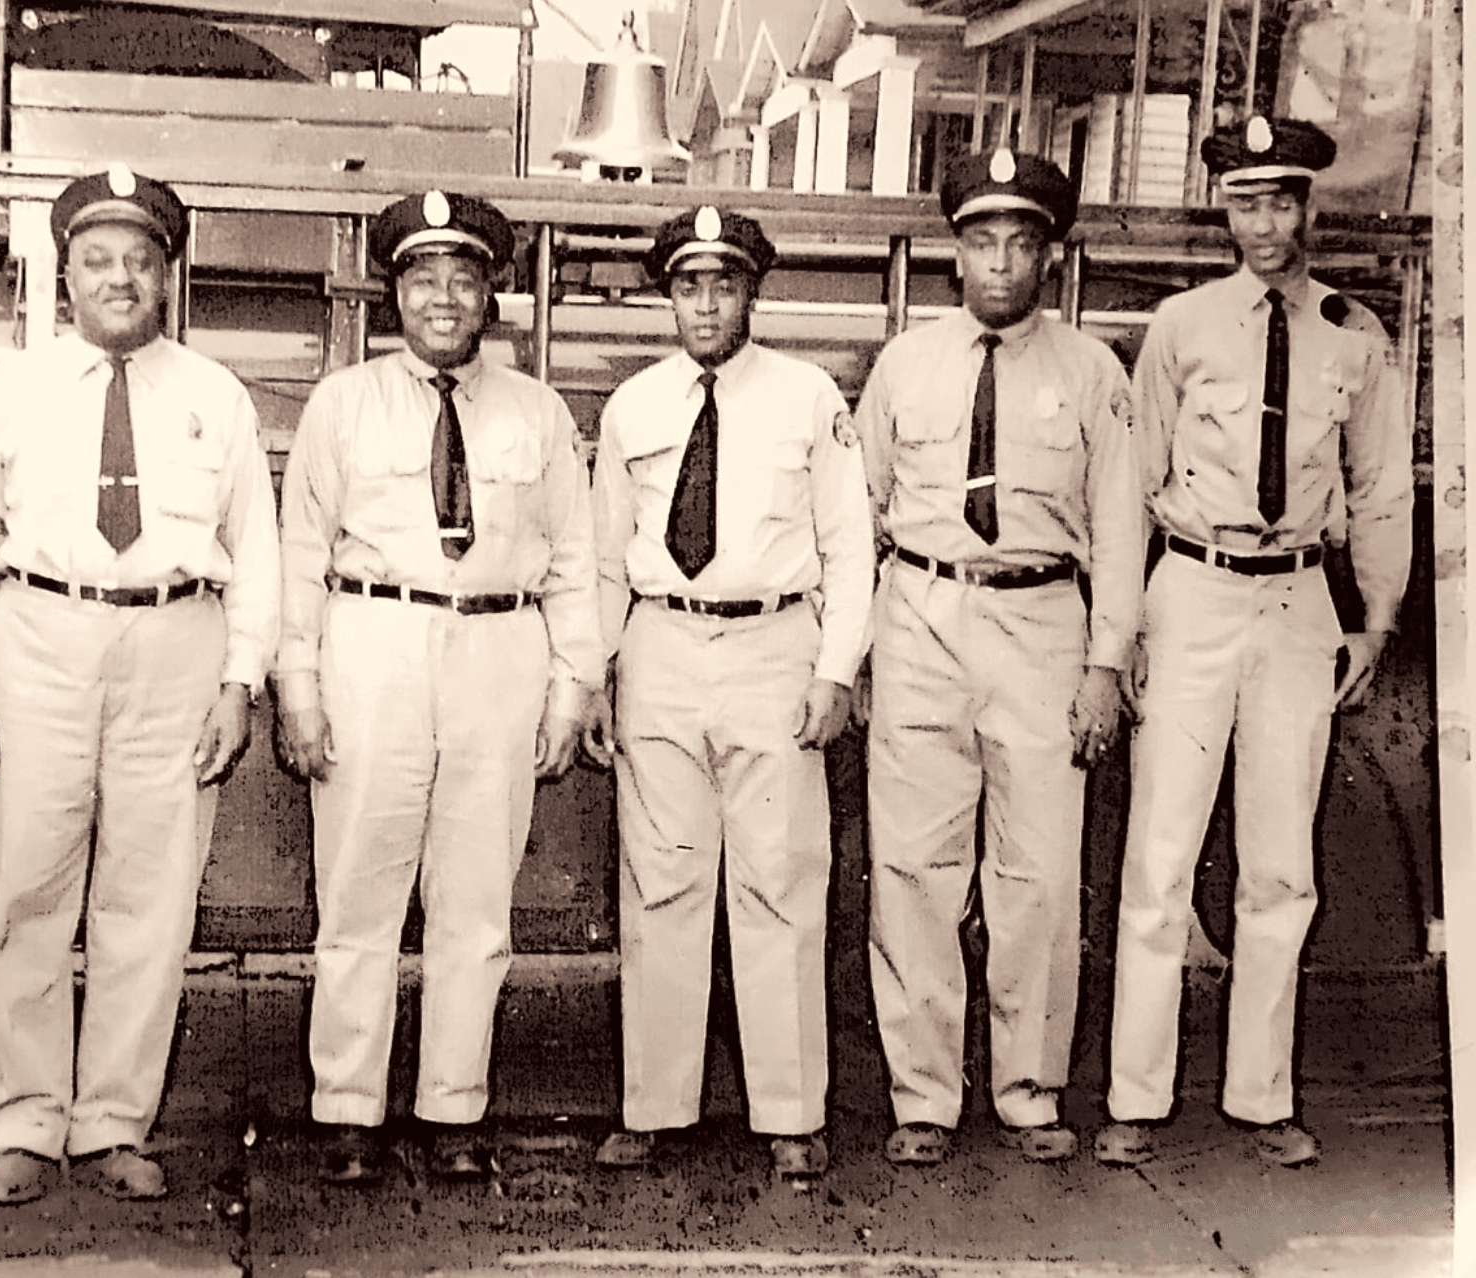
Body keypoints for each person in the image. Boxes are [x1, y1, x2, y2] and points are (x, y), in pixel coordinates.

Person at [0, 164, 279, 1202]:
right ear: (64, 273)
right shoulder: (13, 390)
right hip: (40, 637)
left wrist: (239, 682)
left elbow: (253, 551)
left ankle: (115, 1123)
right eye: (97, 260)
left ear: (167, 275)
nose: (119, 279)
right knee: (29, 890)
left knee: (149, 898)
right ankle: (26, 1124)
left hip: (175, 643)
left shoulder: (215, 397)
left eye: (140, 260)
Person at [1096, 117, 1412, 1169]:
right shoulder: (1181, 327)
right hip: (1192, 587)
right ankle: (1136, 1095)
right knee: (1161, 854)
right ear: (1221, 210)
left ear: (1309, 206)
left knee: (1281, 862)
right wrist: (1130, 621)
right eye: (1245, 202)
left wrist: (1376, 616)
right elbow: (1134, 484)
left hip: (1296, 608)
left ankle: (1261, 1097)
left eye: (1282, 201)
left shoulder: (1352, 334)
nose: (1265, 222)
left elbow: (1377, 489)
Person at [276, 189, 601, 1184]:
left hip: (499, 653)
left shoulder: (538, 412)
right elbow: (300, 554)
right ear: (394, 293)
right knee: (361, 895)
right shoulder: (343, 402)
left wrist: (571, 688)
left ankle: (456, 1109)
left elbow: (575, 563)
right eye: (423, 279)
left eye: (465, 279)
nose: (445, 299)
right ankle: (347, 1109)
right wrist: (298, 687)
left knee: (474, 905)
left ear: (492, 292)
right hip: (372, 643)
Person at [857, 149, 1143, 1166]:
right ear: (956, 253)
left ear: (1049, 255)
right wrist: (856, 656)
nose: (1002, 263)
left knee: (1036, 870)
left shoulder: (1094, 373)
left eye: (1023, 243)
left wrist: (1106, 665)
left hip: (1041, 623)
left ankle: (1029, 1087)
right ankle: (923, 1096)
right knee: (914, 864)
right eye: (983, 242)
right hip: (924, 610)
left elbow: (1118, 528)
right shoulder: (905, 364)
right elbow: (864, 513)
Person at [582, 206, 873, 1182]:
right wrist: (597, 676)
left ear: (753, 291)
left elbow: (847, 545)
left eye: (725, 284)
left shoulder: (806, 396)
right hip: (661, 646)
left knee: (781, 881)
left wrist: (836, 669)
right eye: (689, 285)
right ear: (669, 294)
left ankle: (791, 1114)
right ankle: (654, 1107)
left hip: (772, 645)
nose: (706, 303)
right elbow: (605, 559)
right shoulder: (636, 406)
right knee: (661, 881)